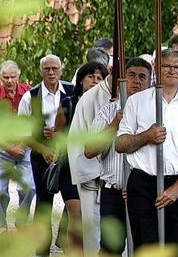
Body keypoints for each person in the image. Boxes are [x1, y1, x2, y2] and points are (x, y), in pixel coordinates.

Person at [116, 48, 178, 256]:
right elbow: (120, 144)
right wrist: (146, 137)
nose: (172, 70)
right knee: (146, 248)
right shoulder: (137, 102)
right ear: (156, 69)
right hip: (143, 184)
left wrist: (177, 188)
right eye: (166, 66)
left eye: (177, 67)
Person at [84, 57, 152, 255]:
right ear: (123, 79)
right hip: (113, 192)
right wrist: (116, 122)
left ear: (149, 82)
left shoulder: (155, 112)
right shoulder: (109, 110)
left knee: (143, 246)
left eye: (142, 77)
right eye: (131, 75)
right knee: (110, 248)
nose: (136, 81)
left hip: (144, 193)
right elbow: (90, 150)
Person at [17, 54, 74, 256]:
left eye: (54, 68)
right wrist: (43, 150)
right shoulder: (30, 97)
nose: (51, 72)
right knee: (44, 204)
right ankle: (42, 250)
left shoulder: (72, 92)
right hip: (41, 156)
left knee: (72, 202)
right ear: (41, 71)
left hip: (68, 155)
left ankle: (67, 242)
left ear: (61, 70)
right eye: (47, 69)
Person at [54, 61, 109, 250]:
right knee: (77, 217)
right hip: (71, 166)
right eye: (90, 76)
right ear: (81, 79)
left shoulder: (106, 104)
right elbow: (57, 133)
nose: (95, 81)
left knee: (94, 218)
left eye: (99, 78)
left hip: (97, 169)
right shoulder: (69, 102)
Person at [68, 66, 113, 253]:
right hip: (95, 180)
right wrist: (96, 174)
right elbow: (77, 143)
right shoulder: (90, 99)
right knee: (94, 231)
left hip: (129, 184)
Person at [0, 60, 33, 231]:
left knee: (30, 187)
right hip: (3, 146)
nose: (9, 81)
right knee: (0, 191)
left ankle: (22, 218)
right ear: (1, 78)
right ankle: (1, 224)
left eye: (13, 77)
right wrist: (9, 148)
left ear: (18, 76)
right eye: (6, 77)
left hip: (25, 144)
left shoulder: (28, 92)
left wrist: (22, 144)